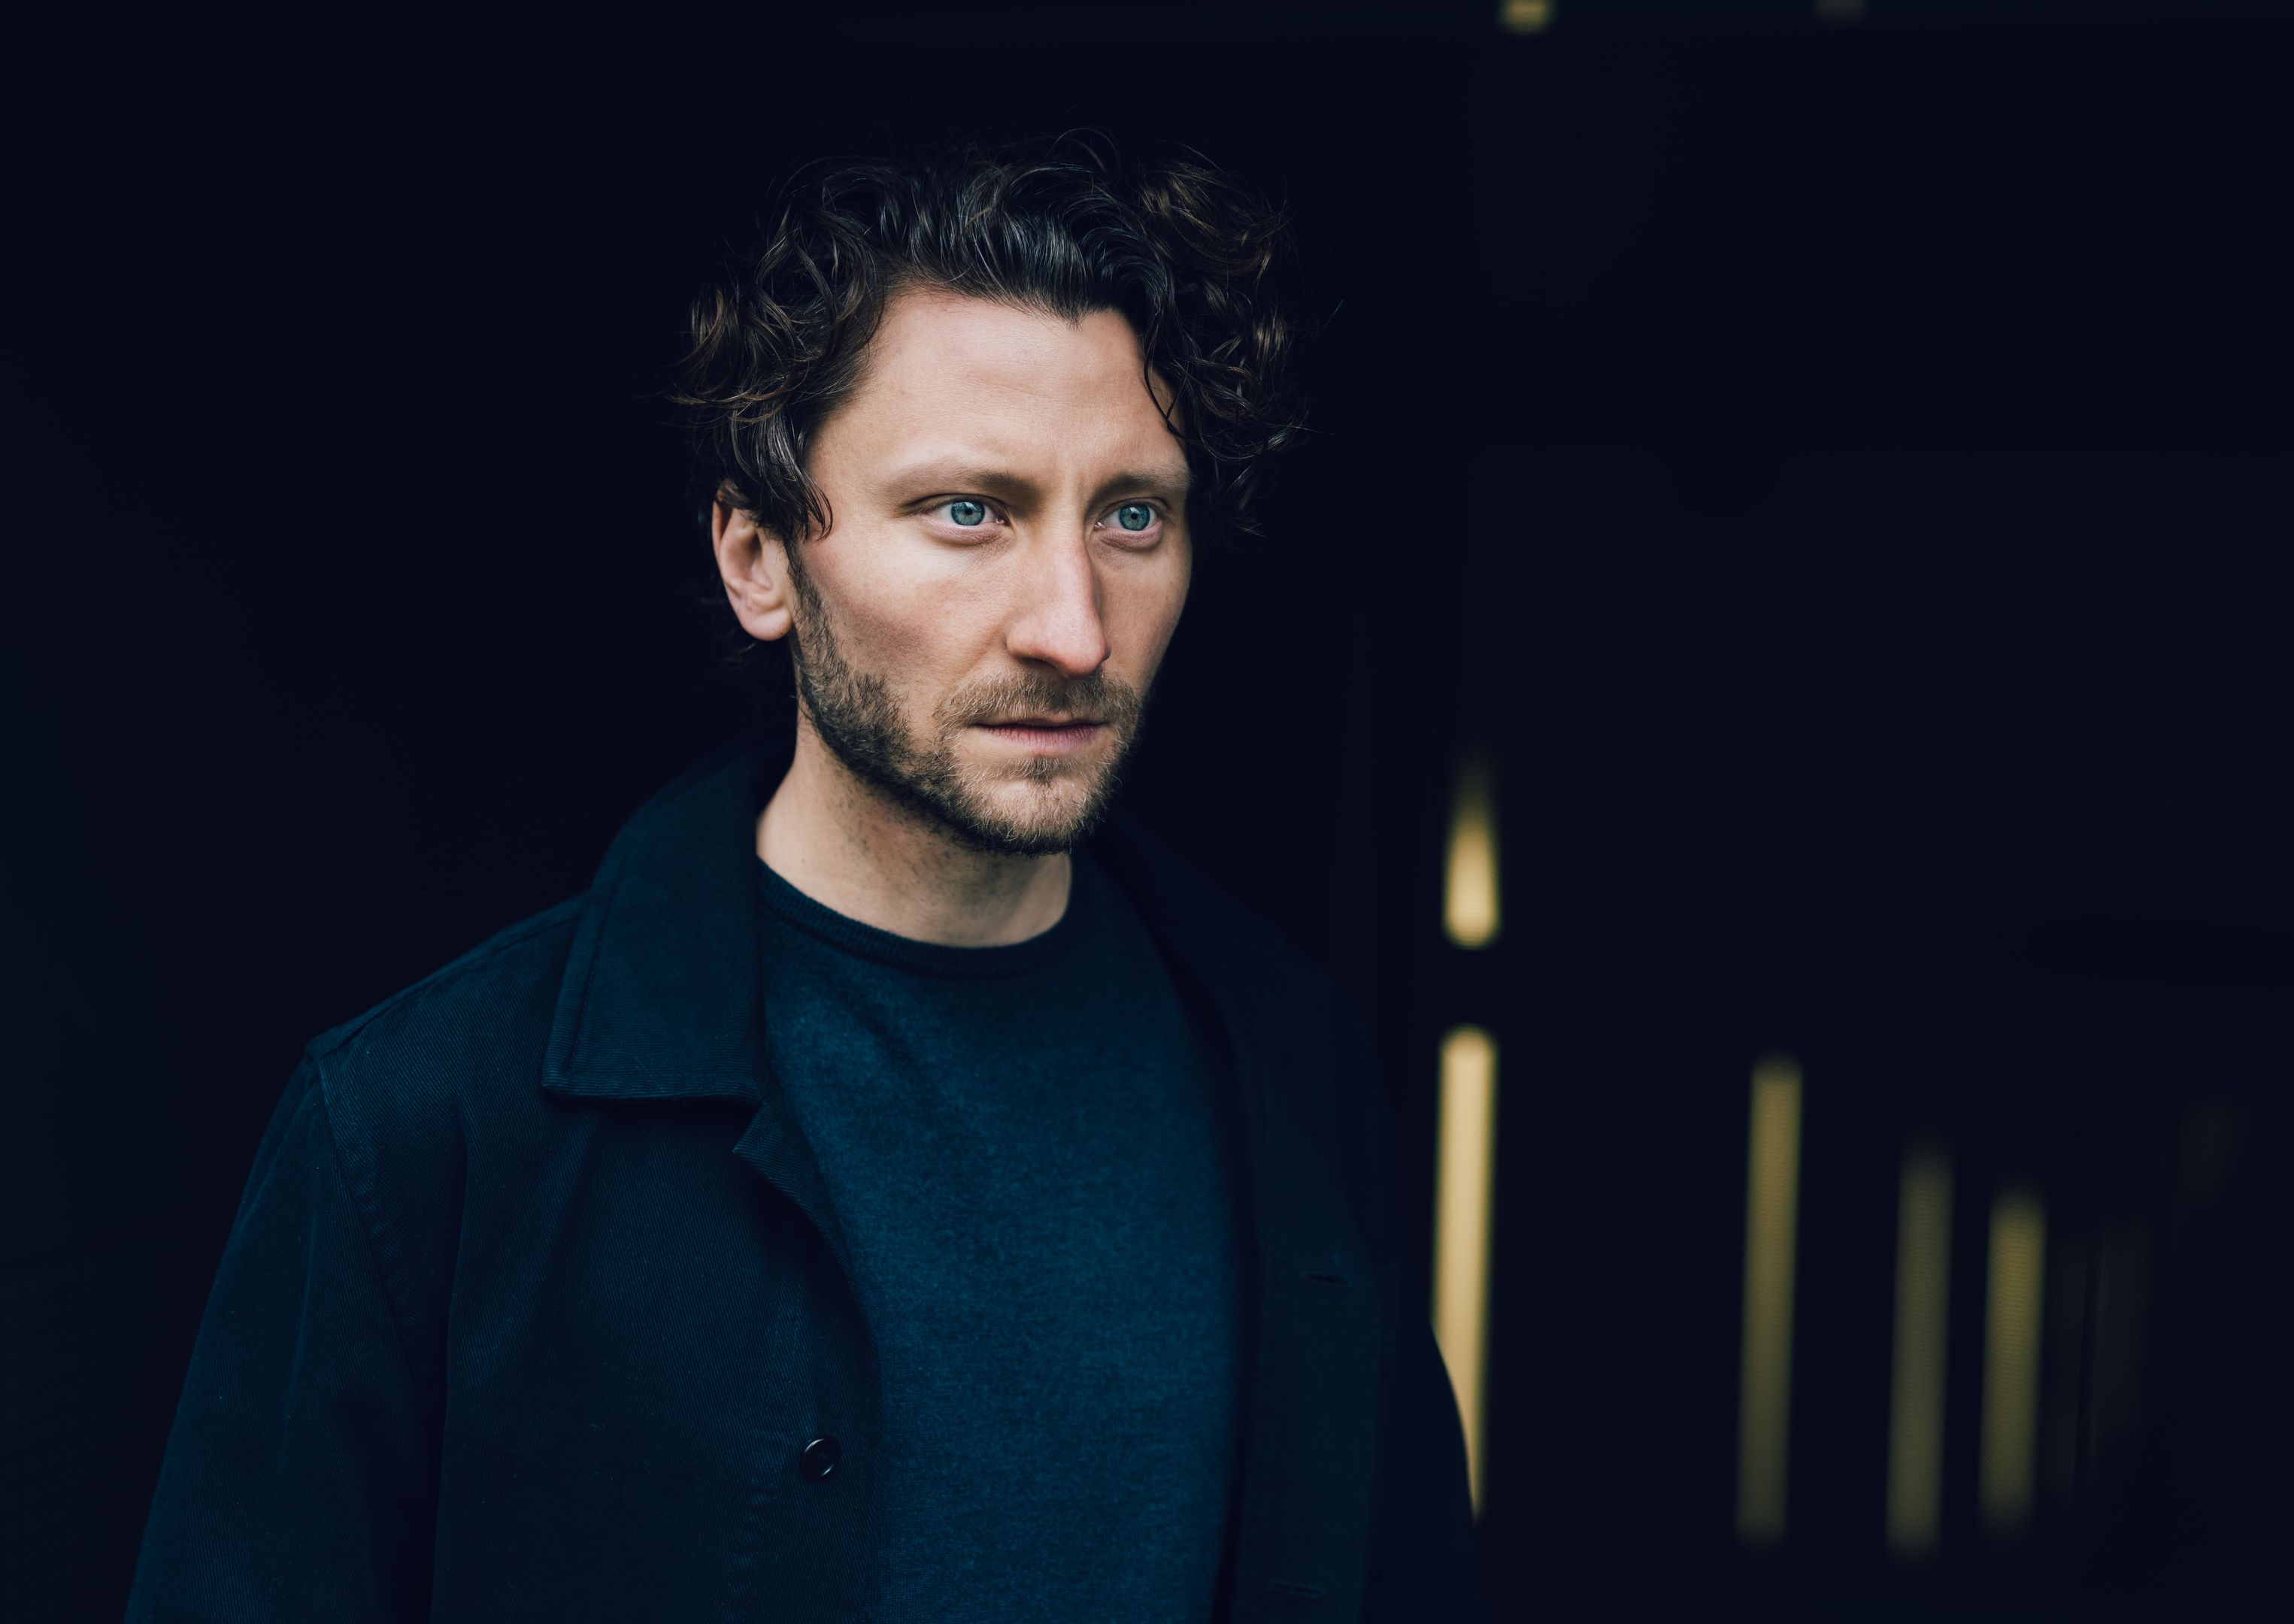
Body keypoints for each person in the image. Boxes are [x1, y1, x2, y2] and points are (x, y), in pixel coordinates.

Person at [126, 132, 1486, 1622]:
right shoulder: (422, 1120)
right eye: (967, 510)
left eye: (1130, 516)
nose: (1074, 629)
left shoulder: (1290, 1067)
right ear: (758, 558)